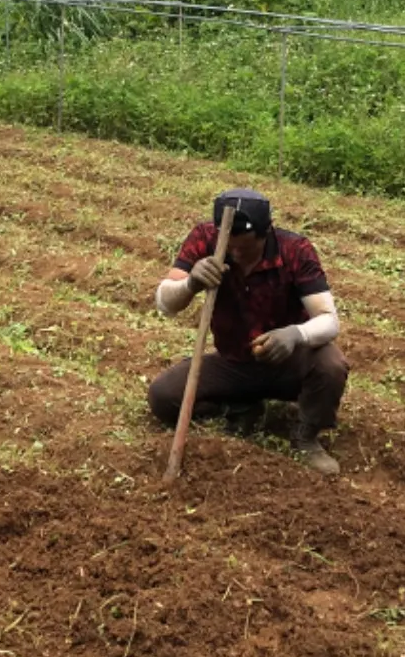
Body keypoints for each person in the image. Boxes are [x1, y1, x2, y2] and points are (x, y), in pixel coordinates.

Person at [147, 187, 349, 476]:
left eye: (245, 247)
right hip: (234, 360)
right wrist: (191, 283)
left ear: (266, 232)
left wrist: (294, 335)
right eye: (230, 246)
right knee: (164, 397)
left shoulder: (295, 250)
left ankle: (307, 437)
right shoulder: (205, 239)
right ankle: (240, 407)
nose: (236, 253)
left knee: (330, 365)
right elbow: (164, 303)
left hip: (288, 362)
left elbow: (329, 320)